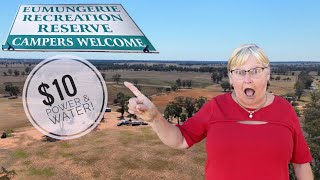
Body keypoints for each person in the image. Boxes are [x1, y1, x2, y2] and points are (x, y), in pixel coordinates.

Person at [124, 44, 314, 180]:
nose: (247, 79)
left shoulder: (285, 111)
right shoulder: (216, 107)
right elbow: (180, 140)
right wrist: (155, 118)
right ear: (231, 78)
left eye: (255, 71)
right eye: (239, 72)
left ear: (268, 74)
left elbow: (301, 163)